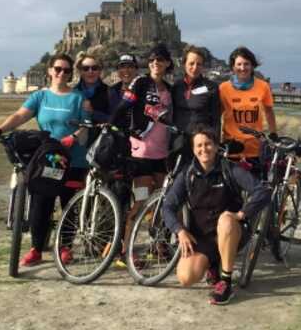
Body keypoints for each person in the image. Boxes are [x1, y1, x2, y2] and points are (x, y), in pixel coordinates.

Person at [0, 53, 90, 266]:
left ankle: (65, 247)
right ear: (50, 71)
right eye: (58, 69)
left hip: (74, 160)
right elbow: (20, 116)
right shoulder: (40, 97)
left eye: (67, 70)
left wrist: (73, 138)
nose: (61, 73)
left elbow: (86, 128)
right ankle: (37, 249)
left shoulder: (80, 99)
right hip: (48, 160)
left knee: (69, 205)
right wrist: (0, 129)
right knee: (40, 205)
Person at [161, 125, 270, 305]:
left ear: (216, 145)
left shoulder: (229, 169)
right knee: (185, 277)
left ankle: (225, 282)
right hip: (202, 237)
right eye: (199, 145)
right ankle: (213, 264)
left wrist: (241, 215)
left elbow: (262, 191)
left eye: (208, 144)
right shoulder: (187, 173)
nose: (204, 149)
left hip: (231, 232)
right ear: (194, 149)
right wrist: (179, 230)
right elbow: (168, 206)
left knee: (226, 219)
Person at [110, 43, 175, 262]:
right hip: (140, 154)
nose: (156, 63)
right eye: (152, 60)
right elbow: (123, 106)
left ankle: (157, 246)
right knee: (140, 203)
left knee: (161, 204)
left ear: (167, 63)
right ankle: (126, 249)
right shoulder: (140, 82)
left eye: (160, 59)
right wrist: (111, 126)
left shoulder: (169, 88)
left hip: (162, 154)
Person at [219, 46, 278, 171]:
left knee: (255, 187)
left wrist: (273, 134)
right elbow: (217, 114)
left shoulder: (263, 86)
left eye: (246, 64)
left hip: (255, 148)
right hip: (232, 147)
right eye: (239, 64)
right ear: (233, 67)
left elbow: (268, 110)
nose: (242, 68)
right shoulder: (223, 88)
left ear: (252, 66)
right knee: (232, 189)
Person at [171, 45, 221, 150]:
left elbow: (216, 119)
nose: (195, 67)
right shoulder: (176, 86)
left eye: (199, 64)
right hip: (178, 142)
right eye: (191, 63)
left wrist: (216, 143)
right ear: (184, 64)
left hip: (202, 144)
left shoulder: (211, 87)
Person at [74, 52, 112, 145]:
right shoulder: (72, 93)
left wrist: (93, 113)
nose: (90, 71)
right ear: (80, 71)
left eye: (94, 68)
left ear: (100, 70)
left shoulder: (110, 92)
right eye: (85, 68)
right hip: (75, 145)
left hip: (101, 146)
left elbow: (116, 120)